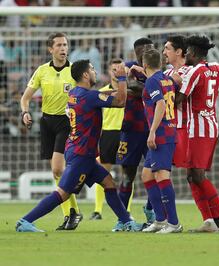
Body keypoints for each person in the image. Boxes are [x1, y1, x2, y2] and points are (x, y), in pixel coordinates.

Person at [16, 59, 142, 232]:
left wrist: (118, 89)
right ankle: (25, 221)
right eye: (92, 69)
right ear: (85, 75)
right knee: (63, 193)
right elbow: (120, 101)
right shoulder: (89, 96)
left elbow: (104, 96)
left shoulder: (75, 93)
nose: (95, 72)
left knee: (109, 183)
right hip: (81, 154)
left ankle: (125, 221)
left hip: (82, 152)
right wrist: (122, 79)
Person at [176, 35, 219, 233]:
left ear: (193, 52)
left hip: (198, 127)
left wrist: (166, 87)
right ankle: (209, 221)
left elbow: (179, 99)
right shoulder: (216, 68)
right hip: (210, 124)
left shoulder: (195, 71)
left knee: (197, 174)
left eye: (187, 52)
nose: (185, 54)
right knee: (191, 175)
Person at [20, 32, 82, 230]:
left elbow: (86, 94)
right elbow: (26, 97)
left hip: (66, 122)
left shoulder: (74, 71)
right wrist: (25, 112)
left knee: (58, 169)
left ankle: (73, 213)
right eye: (59, 45)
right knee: (56, 173)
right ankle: (71, 213)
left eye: (65, 45)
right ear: (50, 49)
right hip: (47, 122)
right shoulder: (42, 71)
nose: (63, 48)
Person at [113, 38, 156, 231]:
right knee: (127, 176)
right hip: (130, 130)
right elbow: (126, 89)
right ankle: (123, 220)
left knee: (157, 174)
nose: (147, 51)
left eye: (150, 48)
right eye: (143, 49)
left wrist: (138, 87)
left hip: (152, 130)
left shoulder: (156, 69)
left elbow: (141, 89)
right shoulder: (127, 67)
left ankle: (150, 211)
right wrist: (139, 87)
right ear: (136, 52)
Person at [140, 49, 182, 234]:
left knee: (162, 176)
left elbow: (161, 104)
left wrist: (152, 132)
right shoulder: (167, 79)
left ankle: (173, 224)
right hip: (168, 131)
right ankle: (159, 220)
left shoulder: (152, 81)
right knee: (147, 176)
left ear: (145, 64)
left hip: (161, 134)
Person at [89, 58, 125, 220]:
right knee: (103, 173)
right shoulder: (102, 92)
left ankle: (126, 211)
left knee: (127, 175)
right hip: (108, 134)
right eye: (114, 69)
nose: (116, 72)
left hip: (126, 133)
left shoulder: (129, 91)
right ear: (109, 72)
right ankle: (98, 210)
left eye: (119, 69)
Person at [162, 35, 191, 169]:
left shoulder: (191, 71)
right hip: (166, 129)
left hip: (184, 129)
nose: (164, 53)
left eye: (167, 49)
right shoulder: (167, 73)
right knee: (154, 172)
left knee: (191, 174)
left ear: (178, 52)